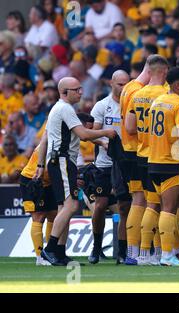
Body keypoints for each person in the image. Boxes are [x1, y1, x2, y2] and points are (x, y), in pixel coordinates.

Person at [38, 77, 117, 266]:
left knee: (63, 208)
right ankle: (49, 250)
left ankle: (59, 252)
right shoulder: (65, 109)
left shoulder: (58, 109)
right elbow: (82, 134)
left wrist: (41, 165)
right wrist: (105, 133)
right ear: (64, 92)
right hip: (63, 160)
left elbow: (47, 140)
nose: (81, 92)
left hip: (59, 161)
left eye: (81, 88)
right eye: (77, 89)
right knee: (72, 206)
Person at [124, 55, 170, 265]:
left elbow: (130, 128)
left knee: (142, 201)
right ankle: (155, 253)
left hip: (140, 154)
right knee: (157, 205)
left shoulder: (137, 93)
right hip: (159, 155)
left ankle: (134, 252)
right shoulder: (166, 95)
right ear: (165, 72)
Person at [147, 67, 179, 266]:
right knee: (168, 209)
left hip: (153, 160)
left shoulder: (157, 102)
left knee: (155, 208)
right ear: (178, 84)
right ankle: (167, 255)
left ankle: (154, 253)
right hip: (171, 162)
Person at [88, 70, 131, 264]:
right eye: (119, 84)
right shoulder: (102, 106)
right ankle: (96, 247)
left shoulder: (131, 105)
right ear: (112, 84)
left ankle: (122, 251)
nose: (123, 88)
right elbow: (93, 134)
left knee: (124, 207)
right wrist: (104, 143)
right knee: (101, 205)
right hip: (104, 164)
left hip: (125, 164)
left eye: (126, 84)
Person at [120, 57, 151, 264]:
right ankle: (138, 251)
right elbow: (131, 127)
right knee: (143, 200)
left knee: (137, 199)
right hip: (136, 150)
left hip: (128, 151)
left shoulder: (128, 87)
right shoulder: (138, 92)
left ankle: (133, 251)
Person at [19, 143, 57, 266]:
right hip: (32, 178)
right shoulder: (49, 144)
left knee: (53, 214)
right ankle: (40, 257)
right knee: (39, 216)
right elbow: (47, 169)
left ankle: (51, 252)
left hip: (48, 181)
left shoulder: (58, 142)